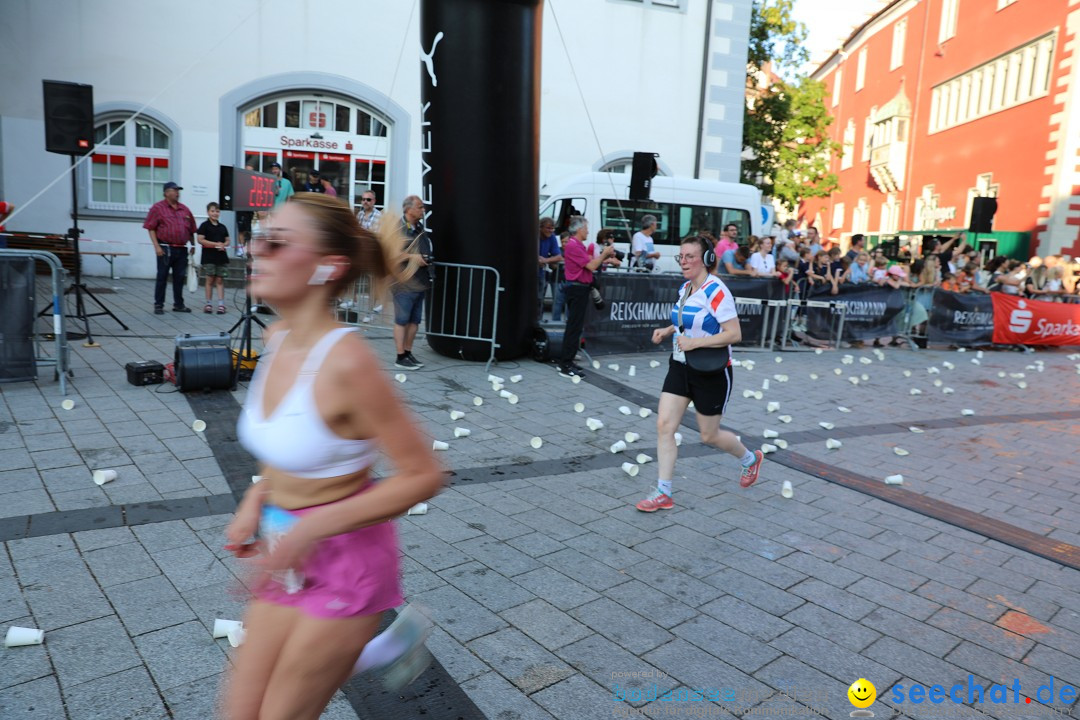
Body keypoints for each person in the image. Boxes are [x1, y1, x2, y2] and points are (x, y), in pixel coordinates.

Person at [225, 192, 444, 719]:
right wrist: (257, 496)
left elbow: (423, 475)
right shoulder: (276, 337)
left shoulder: (347, 363)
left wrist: (309, 528)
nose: (257, 250)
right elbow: (289, 447)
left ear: (328, 266)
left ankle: (366, 642)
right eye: (260, 236)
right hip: (286, 552)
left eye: (277, 242)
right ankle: (377, 649)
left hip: (347, 563)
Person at [637, 235, 764, 512]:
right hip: (680, 366)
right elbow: (686, 320)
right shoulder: (685, 288)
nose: (684, 261)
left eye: (690, 256)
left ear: (706, 259)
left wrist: (694, 343)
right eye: (681, 256)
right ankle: (663, 492)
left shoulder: (717, 291)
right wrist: (668, 329)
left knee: (709, 435)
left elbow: (734, 334)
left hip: (712, 371)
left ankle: (749, 459)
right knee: (664, 426)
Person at [558, 216, 614, 379]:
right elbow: (591, 265)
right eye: (586, 228)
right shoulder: (574, 245)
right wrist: (604, 254)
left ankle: (569, 360)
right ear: (579, 229)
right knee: (574, 326)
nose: (588, 231)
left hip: (580, 289)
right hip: (576, 289)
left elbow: (590, 262)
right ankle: (565, 364)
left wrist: (604, 256)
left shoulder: (578, 245)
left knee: (576, 326)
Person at [143, 181, 197, 314]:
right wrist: (156, 246)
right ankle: (159, 304)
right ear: (166, 193)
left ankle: (178, 304)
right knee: (162, 276)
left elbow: (191, 229)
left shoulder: (185, 209)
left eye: (178, 190)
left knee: (179, 278)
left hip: (181, 248)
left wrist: (193, 244)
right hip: (165, 248)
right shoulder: (157, 208)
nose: (177, 193)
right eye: (175, 190)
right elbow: (151, 228)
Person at [392, 196, 432, 370]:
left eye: (423, 207)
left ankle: (408, 353)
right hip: (404, 283)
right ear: (408, 210)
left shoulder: (419, 227)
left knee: (414, 321)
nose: (423, 209)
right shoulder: (397, 229)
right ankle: (400, 357)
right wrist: (413, 257)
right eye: (420, 207)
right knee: (402, 320)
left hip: (419, 280)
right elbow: (390, 256)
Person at [197, 202, 230, 314]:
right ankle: (208, 303)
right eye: (212, 211)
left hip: (221, 257)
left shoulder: (223, 227)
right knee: (210, 279)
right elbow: (200, 239)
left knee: (220, 280)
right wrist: (215, 244)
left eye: (217, 211)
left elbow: (227, 240)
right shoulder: (204, 226)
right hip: (209, 257)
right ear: (208, 212)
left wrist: (223, 245)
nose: (215, 213)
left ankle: (221, 304)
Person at [538, 217, 561, 319]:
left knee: (539, 300)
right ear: (540, 227)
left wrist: (545, 260)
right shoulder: (533, 235)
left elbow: (558, 256)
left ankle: (538, 322)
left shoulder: (552, 237)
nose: (551, 231)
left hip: (540, 273)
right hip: (529, 274)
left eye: (552, 229)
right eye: (548, 228)